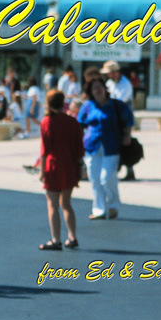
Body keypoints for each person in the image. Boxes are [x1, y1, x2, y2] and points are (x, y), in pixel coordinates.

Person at [78, 75, 133, 221]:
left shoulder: (117, 105)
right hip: (92, 146)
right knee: (95, 179)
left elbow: (129, 120)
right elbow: (79, 124)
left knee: (107, 178)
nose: (97, 90)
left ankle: (113, 205)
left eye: (99, 87)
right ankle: (99, 209)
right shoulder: (87, 106)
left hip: (111, 145)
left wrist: (127, 135)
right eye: (93, 88)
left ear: (105, 88)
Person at [38, 89, 84, 250]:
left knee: (52, 205)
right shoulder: (72, 122)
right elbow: (79, 147)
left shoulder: (46, 121)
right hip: (69, 166)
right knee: (66, 203)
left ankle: (55, 239)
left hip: (53, 166)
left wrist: (41, 171)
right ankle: (72, 236)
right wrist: (79, 165)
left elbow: (44, 150)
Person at [101, 60, 137, 180]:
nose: (107, 75)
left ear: (115, 72)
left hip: (124, 117)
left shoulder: (125, 83)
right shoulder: (111, 83)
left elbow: (120, 101)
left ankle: (129, 170)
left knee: (126, 142)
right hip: (114, 115)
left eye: (109, 73)